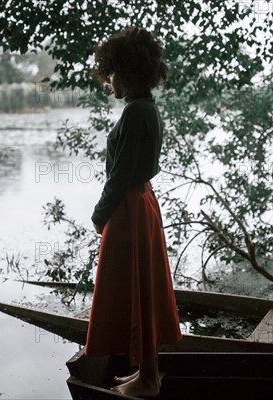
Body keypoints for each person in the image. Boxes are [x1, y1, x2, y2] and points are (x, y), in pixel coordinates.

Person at [85, 26, 182, 397]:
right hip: (142, 203)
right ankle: (148, 372)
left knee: (136, 288)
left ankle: (148, 379)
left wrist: (99, 215)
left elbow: (120, 174)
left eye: (110, 72)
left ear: (125, 71)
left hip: (129, 206)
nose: (107, 80)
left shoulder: (135, 112)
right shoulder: (146, 108)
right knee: (141, 287)